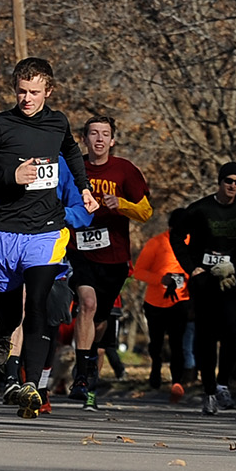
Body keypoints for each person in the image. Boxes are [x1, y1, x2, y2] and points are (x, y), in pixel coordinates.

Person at [0, 57, 97, 420]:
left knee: (37, 304)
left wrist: (83, 188)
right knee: (8, 317)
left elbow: (70, 150)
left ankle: (32, 385)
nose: (27, 98)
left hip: (47, 229)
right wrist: (10, 175)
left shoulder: (58, 122)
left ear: (48, 91)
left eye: (35, 92)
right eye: (21, 91)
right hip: (5, 230)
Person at [69, 115, 152, 410]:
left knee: (100, 318)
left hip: (114, 257)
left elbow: (146, 212)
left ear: (113, 140)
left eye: (105, 134)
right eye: (94, 133)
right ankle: (81, 374)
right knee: (87, 304)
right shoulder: (72, 166)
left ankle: (90, 359)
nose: (99, 139)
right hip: (79, 251)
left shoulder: (125, 170)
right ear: (85, 138)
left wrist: (123, 204)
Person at [170, 161, 236, 415]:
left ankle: (223, 384)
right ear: (220, 182)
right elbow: (176, 236)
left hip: (232, 279)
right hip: (204, 280)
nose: (233, 186)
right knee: (206, 335)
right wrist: (192, 268)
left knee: (234, 331)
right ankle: (209, 391)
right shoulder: (201, 209)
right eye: (228, 181)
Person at [129, 214, 191, 398]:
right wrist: (160, 279)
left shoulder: (192, 245)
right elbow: (138, 271)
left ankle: (177, 382)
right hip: (155, 303)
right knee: (156, 343)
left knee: (177, 342)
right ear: (170, 228)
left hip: (181, 301)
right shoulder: (156, 243)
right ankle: (155, 368)